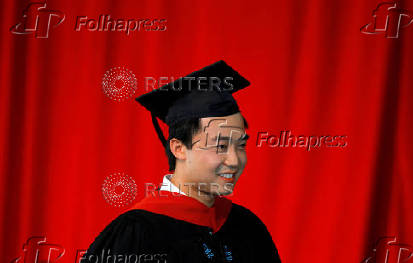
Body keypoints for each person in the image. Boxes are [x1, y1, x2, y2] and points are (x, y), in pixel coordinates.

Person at [82, 61, 281, 263]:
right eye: (220, 146)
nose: (234, 160)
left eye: (240, 145)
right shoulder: (137, 233)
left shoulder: (247, 227)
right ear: (179, 148)